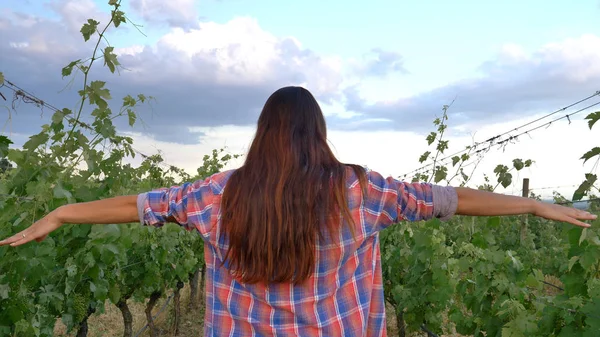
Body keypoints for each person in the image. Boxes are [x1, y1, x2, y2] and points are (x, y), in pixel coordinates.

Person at [0, 86, 596, 336]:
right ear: (319, 133)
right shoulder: (359, 192)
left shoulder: (217, 195)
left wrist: (63, 211)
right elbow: (451, 200)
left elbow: (137, 206)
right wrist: (534, 205)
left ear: (262, 133)